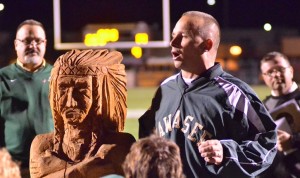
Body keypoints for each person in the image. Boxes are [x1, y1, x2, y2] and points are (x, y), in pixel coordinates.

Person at [139, 11, 277, 178]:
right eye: (173, 36)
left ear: (207, 45)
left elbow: (268, 143)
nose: (173, 43)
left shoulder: (234, 94)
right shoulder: (165, 89)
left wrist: (226, 151)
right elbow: (146, 139)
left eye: (183, 36)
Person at [29, 49, 135, 178]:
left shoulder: (120, 144)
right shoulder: (42, 144)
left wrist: (58, 168)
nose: (70, 102)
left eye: (82, 89)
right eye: (62, 89)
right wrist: (87, 168)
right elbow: (100, 168)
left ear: (98, 95)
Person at [0, 19, 53, 177]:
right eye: (27, 41)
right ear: (16, 45)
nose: (33, 46)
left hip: (51, 164)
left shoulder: (58, 76)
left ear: (45, 43)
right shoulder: (2, 77)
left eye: (38, 41)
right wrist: (2, 153)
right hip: (12, 166)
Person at [259, 51, 300, 178]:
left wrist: (293, 141)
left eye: (280, 69)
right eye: (270, 72)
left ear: (291, 71)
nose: (276, 74)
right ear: (264, 77)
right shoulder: (262, 108)